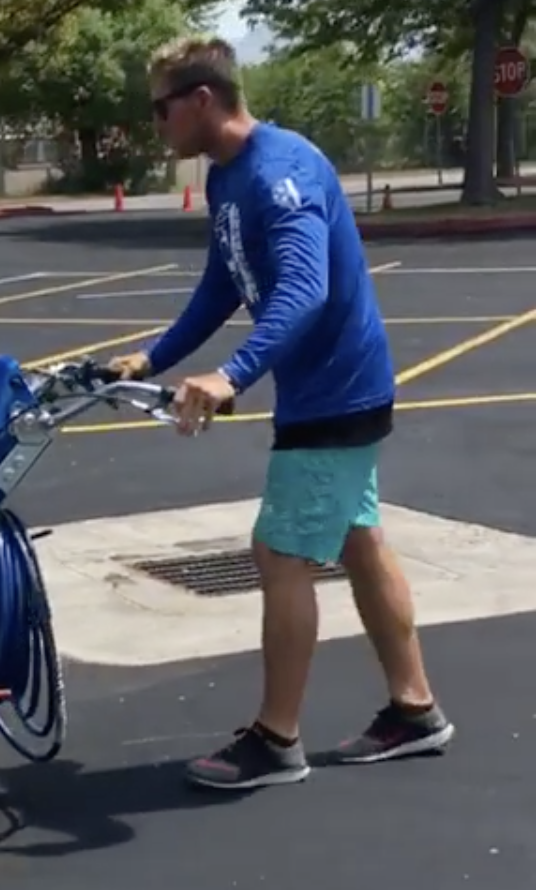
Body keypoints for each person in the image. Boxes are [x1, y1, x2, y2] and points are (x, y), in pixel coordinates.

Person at [107, 36, 454, 790]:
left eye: (160, 109)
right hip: (327, 390)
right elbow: (222, 284)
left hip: (336, 392)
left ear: (202, 101)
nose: (155, 123)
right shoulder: (231, 179)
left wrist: (231, 375)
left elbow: (305, 289)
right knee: (359, 538)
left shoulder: (280, 174)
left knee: (281, 552)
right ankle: (415, 710)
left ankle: (276, 739)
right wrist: (153, 358)